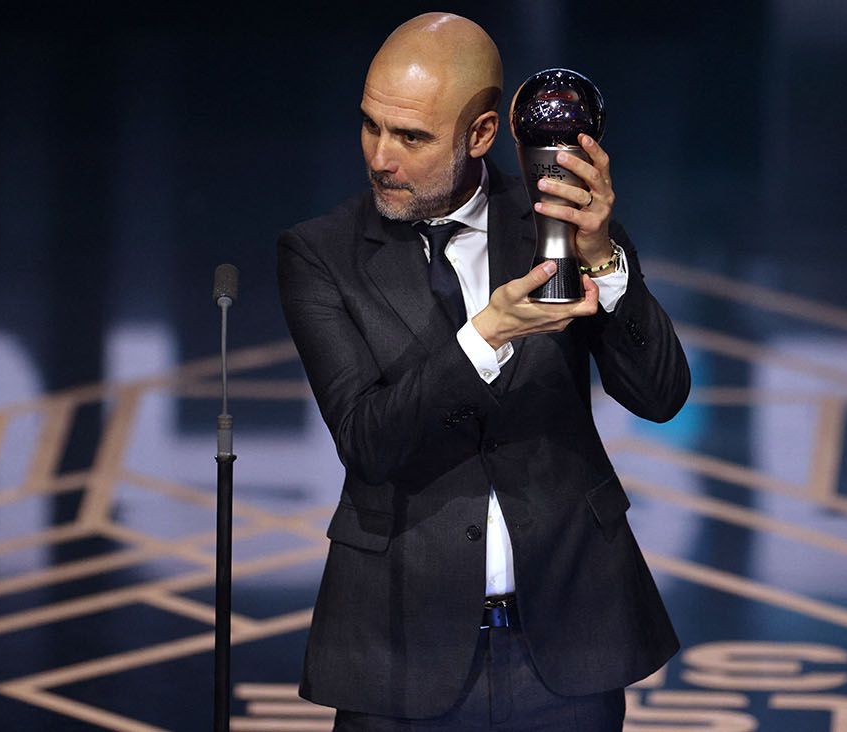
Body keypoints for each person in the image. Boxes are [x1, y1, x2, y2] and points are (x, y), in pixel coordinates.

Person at [276, 12, 690, 731]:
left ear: (481, 135)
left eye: (411, 137)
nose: (380, 157)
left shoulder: (552, 222)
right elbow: (368, 442)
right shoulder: (320, 256)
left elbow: (659, 395)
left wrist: (603, 260)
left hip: (567, 645)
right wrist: (487, 333)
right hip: (402, 647)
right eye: (370, 126)